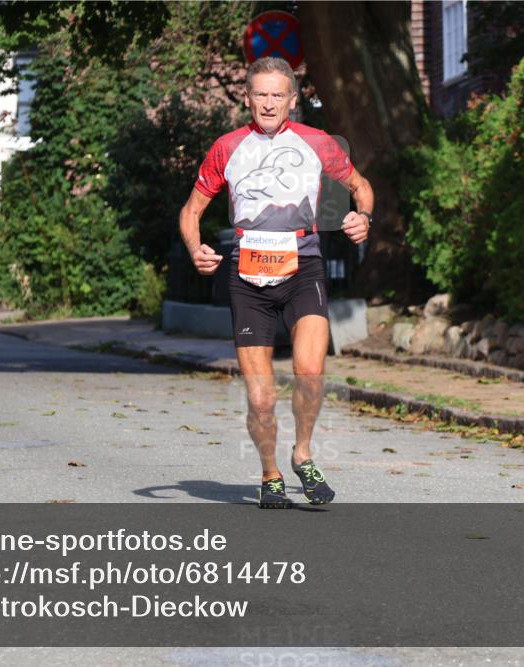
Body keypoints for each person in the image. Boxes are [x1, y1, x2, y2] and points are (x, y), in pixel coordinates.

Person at [179, 57, 374, 508]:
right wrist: (195, 250)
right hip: (247, 276)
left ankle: (302, 454)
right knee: (262, 397)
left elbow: (362, 189)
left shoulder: (318, 143)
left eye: (277, 95)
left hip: (303, 266)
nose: (268, 104)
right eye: (260, 95)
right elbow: (191, 212)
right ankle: (270, 474)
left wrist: (361, 218)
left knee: (310, 372)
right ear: (247, 98)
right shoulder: (226, 148)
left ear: (293, 99)